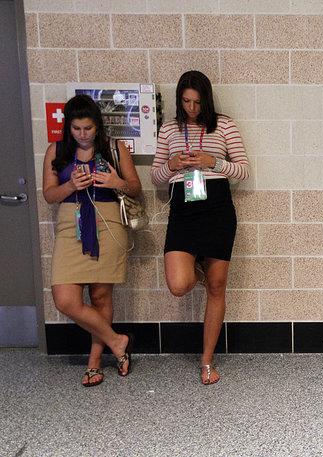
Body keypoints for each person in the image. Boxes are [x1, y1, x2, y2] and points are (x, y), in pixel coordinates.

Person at [150, 70, 250, 385]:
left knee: (218, 287)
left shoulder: (225, 125)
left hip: (217, 208)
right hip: (183, 210)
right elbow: (155, 176)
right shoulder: (168, 129)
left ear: (206, 99)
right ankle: (198, 267)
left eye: (197, 102)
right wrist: (173, 165)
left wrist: (213, 162)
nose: (192, 108)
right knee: (178, 283)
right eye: (186, 101)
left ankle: (206, 361)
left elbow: (244, 170)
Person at [42, 94, 142, 386]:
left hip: (107, 223)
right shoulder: (56, 151)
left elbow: (135, 189)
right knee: (65, 299)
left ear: (97, 125)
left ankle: (94, 363)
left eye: (88, 128)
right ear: (68, 128)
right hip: (70, 225)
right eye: (76, 129)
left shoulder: (114, 148)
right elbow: (49, 195)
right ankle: (118, 341)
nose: (83, 135)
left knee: (100, 296)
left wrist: (115, 183)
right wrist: (71, 185)